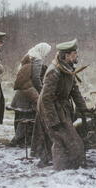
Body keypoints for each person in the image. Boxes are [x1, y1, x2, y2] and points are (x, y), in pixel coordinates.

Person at [31, 39, 89, 170]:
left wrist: (84, 109)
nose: (76, 56)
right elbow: (46, 98)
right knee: (63, 140)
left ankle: (67, 168)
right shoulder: (55, 71)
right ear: (66, 55)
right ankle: (61, 171)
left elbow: (75, 91)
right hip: (51, 108)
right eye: (74, 54)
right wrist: (53, 120)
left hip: (61, 107)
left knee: (69, 141)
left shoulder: (67, 69)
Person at [9, 43, 51, 146]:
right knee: (27, 117)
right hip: (28, 93)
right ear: (43, 51)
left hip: (21, 93)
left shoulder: (29, 57)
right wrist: (42, 91)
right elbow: (36, 79)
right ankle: (18, 140)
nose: (46, 55)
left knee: (20, 117)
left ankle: (20, 140)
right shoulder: (37, 60)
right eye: (46, 53)